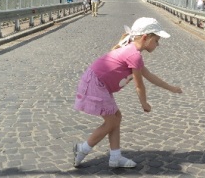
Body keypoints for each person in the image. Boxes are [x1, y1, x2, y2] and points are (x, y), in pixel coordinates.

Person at [73, 17, 183, 168]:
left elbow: (149, 75)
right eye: (156, 40)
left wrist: (171, 88)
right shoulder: (134, 55)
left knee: (116, 117)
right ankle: (83, 148)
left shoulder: (132, 51)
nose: (158, 44)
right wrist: (144, 104)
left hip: (99, 83)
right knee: (112, 121)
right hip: (95, 84)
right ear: (146, 37)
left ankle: (115, 157)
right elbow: (139, 85)